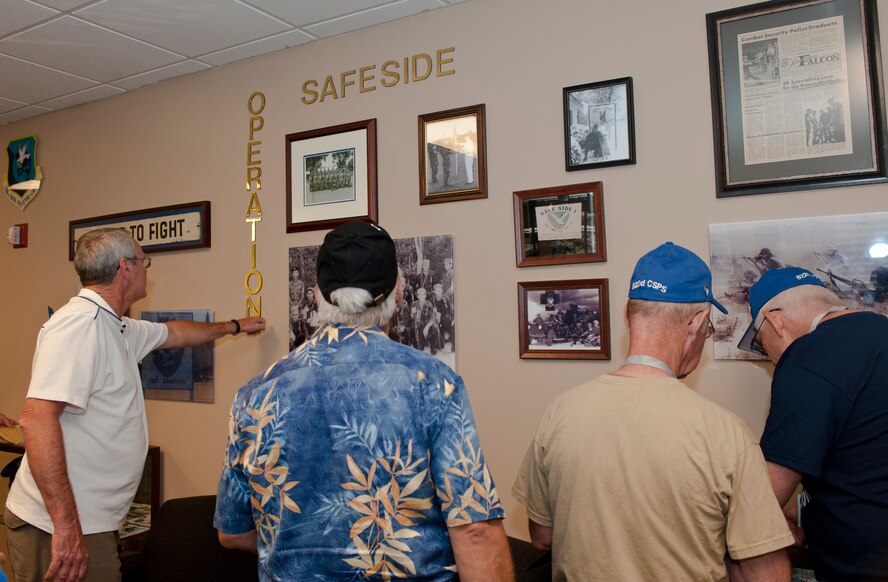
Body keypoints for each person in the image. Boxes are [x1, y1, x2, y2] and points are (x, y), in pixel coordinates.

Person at [214, 220, 512, 581]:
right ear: (398, 294)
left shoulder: (254, 394)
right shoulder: (433, 384)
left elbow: (233, 533)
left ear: (316, 295)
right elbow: (475, 531)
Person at [513, 242, 793, 581]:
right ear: (696, 323)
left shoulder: (561, 411)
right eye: (706, 331)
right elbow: (764, 573)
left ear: (627, 317)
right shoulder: (725, 433)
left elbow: (542, 537)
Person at [4, 227, 266, 582]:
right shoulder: (78, 326)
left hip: (91, 522)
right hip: (57, 526)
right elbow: (36, 420)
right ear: (125, 268)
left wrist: (235, 325)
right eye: (145, 262)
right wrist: (66, 527)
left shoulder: (118, 326)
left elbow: (175, 333)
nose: (147, 269)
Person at [737, 267, 888, 581]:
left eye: (762, 345)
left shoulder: (804, 357)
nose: (772, 358)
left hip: (864, 564)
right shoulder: (879, 329)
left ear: (775, 321)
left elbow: (765, 495)